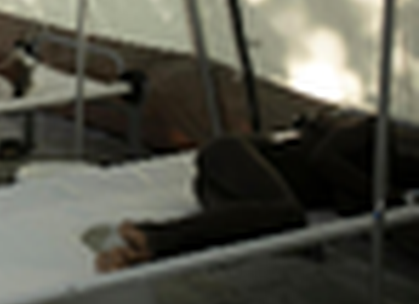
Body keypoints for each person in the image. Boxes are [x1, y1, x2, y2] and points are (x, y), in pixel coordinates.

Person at [94, 109, 419, 272]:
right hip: (230, 155)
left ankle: (148, 249)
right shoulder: (377, 131)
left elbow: (347, 208)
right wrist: (386, 195)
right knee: (288, 215)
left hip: (229, 191)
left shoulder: (376, 185)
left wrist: (387, 197)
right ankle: (150, 235)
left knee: (260, 226)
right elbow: (324, 158)